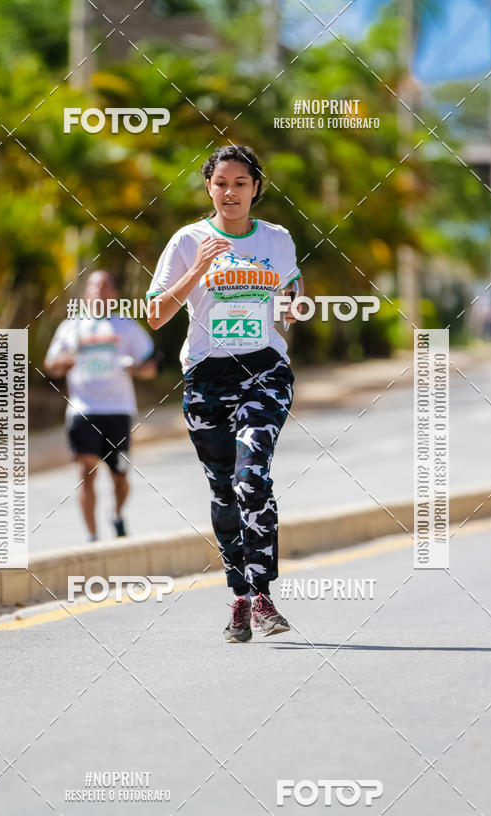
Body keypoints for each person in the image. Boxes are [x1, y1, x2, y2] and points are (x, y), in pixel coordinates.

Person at [146, 145, 304, 643]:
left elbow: (292, 295)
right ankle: (238, 596)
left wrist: (295, 305)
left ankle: (263, 597)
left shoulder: (277, 240)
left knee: (251, 475)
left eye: (240, 183)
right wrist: (199, 268)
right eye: (221, 183)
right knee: (222, 489)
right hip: (207, 377)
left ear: (257, 188)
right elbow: (154, 315)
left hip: (264, 369)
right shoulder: (188, 240)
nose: (230, 192)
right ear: (208, 188)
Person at [44, 270, 156, 541]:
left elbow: (150, 367)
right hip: (83, 409)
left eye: (106, 286)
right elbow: (51, 365)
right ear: (86, 294)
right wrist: (64, 362)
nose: (100, 291)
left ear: (114, 295)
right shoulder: (71, 327)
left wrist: (136, 369)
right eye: (94, 286)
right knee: (86, 471)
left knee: (119, 475)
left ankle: (116, 514)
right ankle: (93, 538)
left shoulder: (126, 327)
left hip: (118, 411)